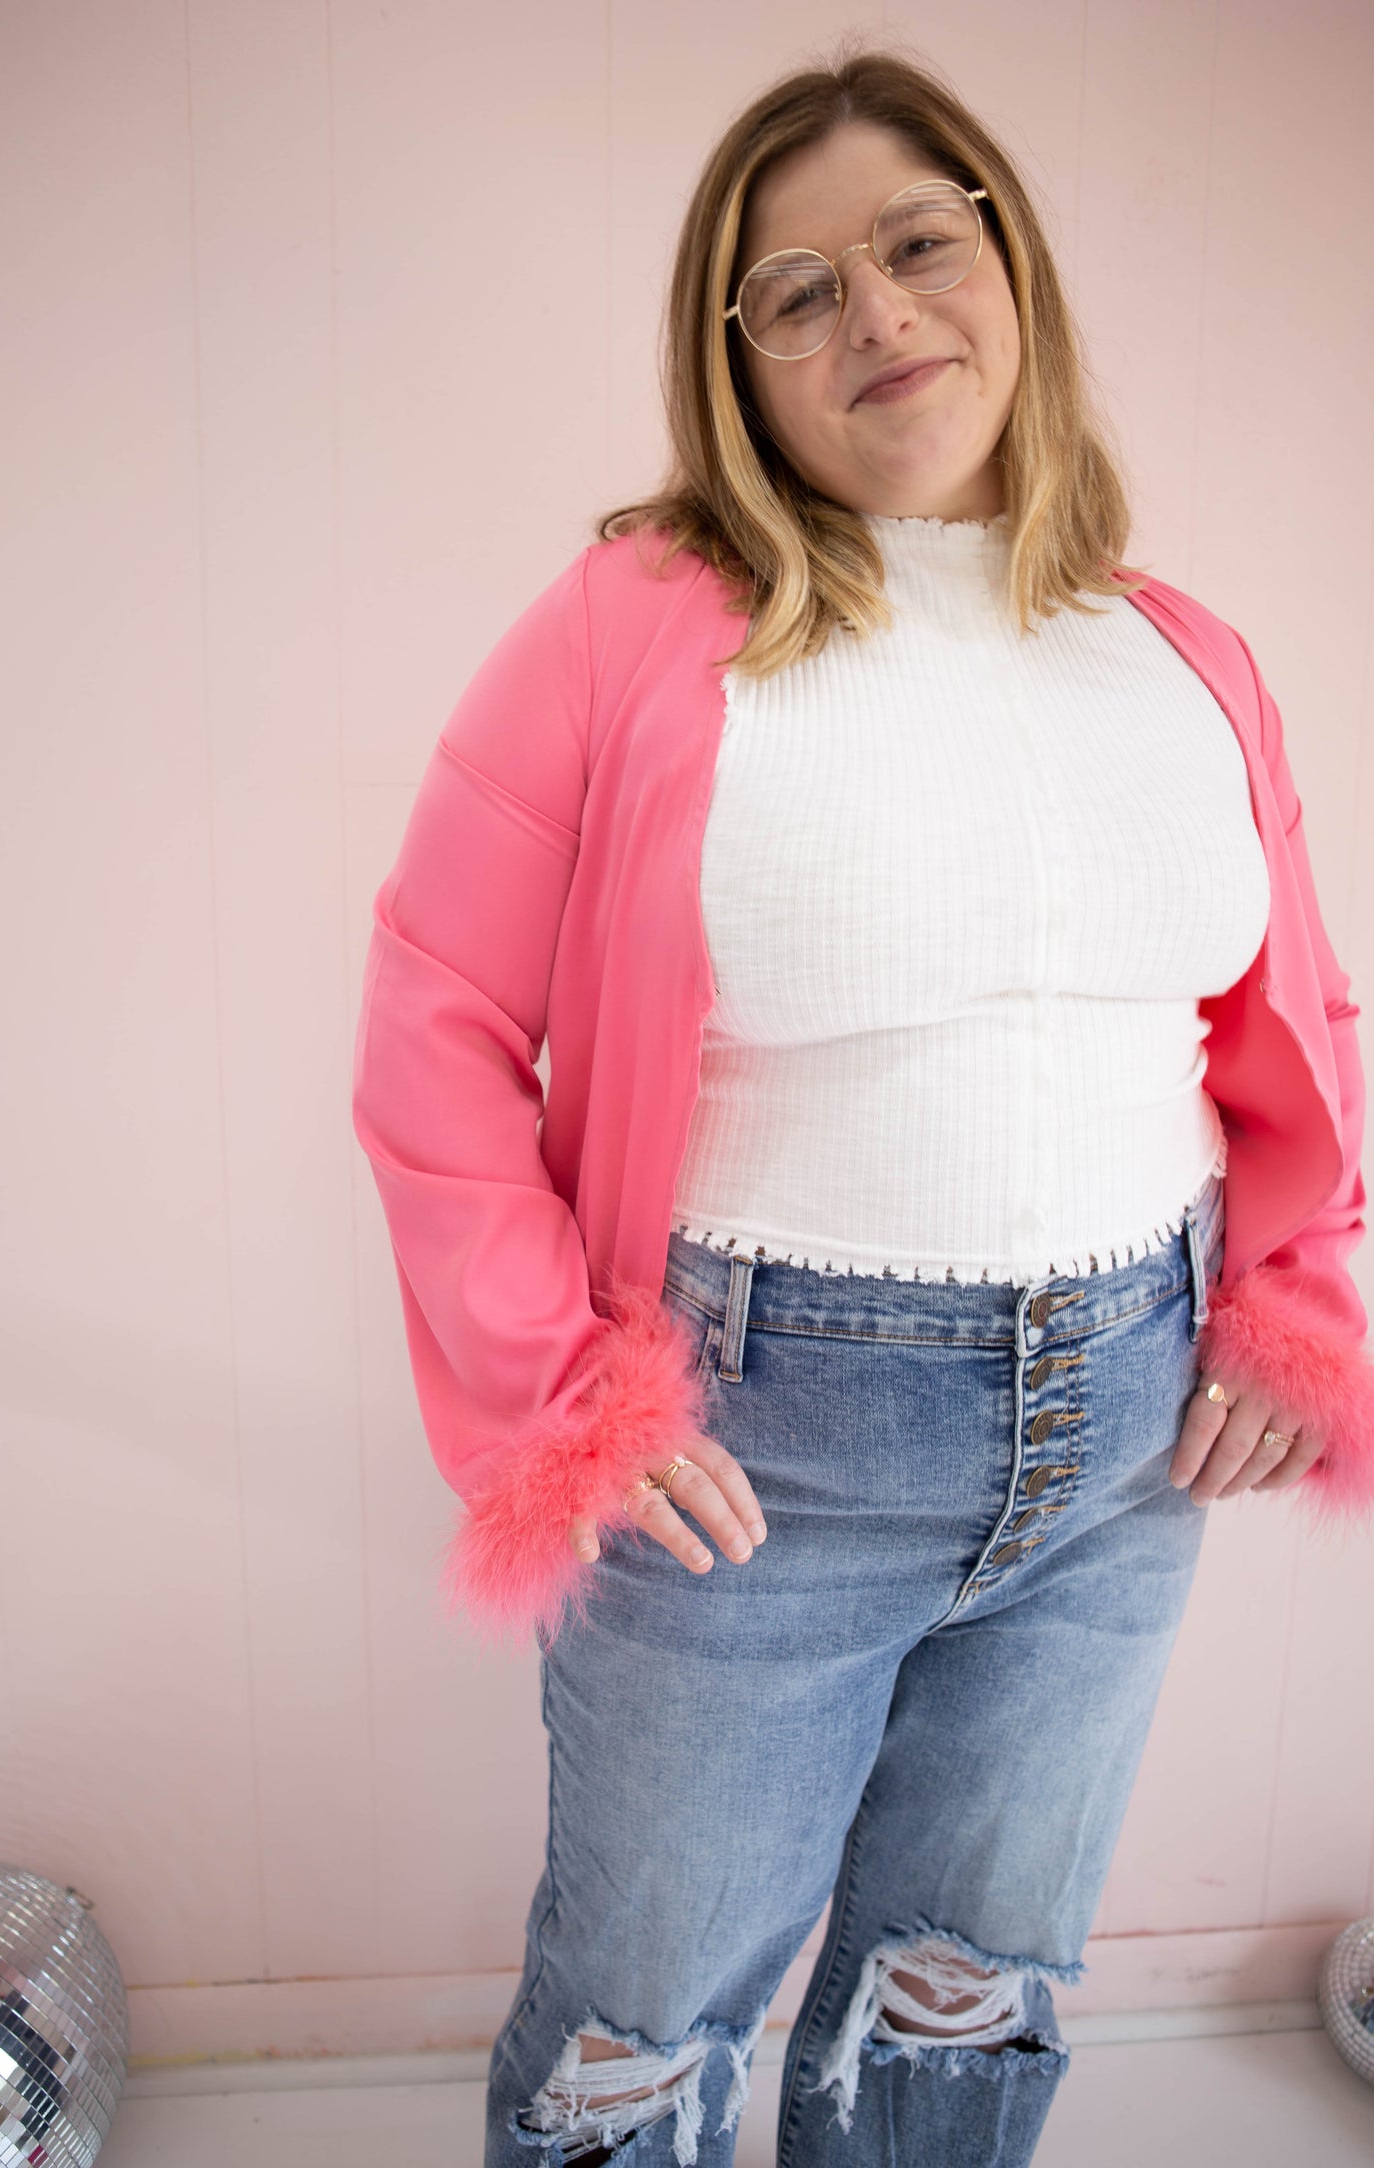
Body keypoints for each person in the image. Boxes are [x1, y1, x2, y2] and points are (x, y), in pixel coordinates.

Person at [350, 43, 1374, 2168]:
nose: (877, 316)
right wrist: (562, 1393)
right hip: (767, 1443)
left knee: (967, 1993)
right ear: (737, 363)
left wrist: (1299, 1297)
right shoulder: (638, 627)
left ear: (1009, 261)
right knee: (642, 2032)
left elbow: (1293, 1022)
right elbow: (435, 1011)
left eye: (918, 244)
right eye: (796, 291)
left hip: (1126, 1452)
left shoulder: (1177, 648)